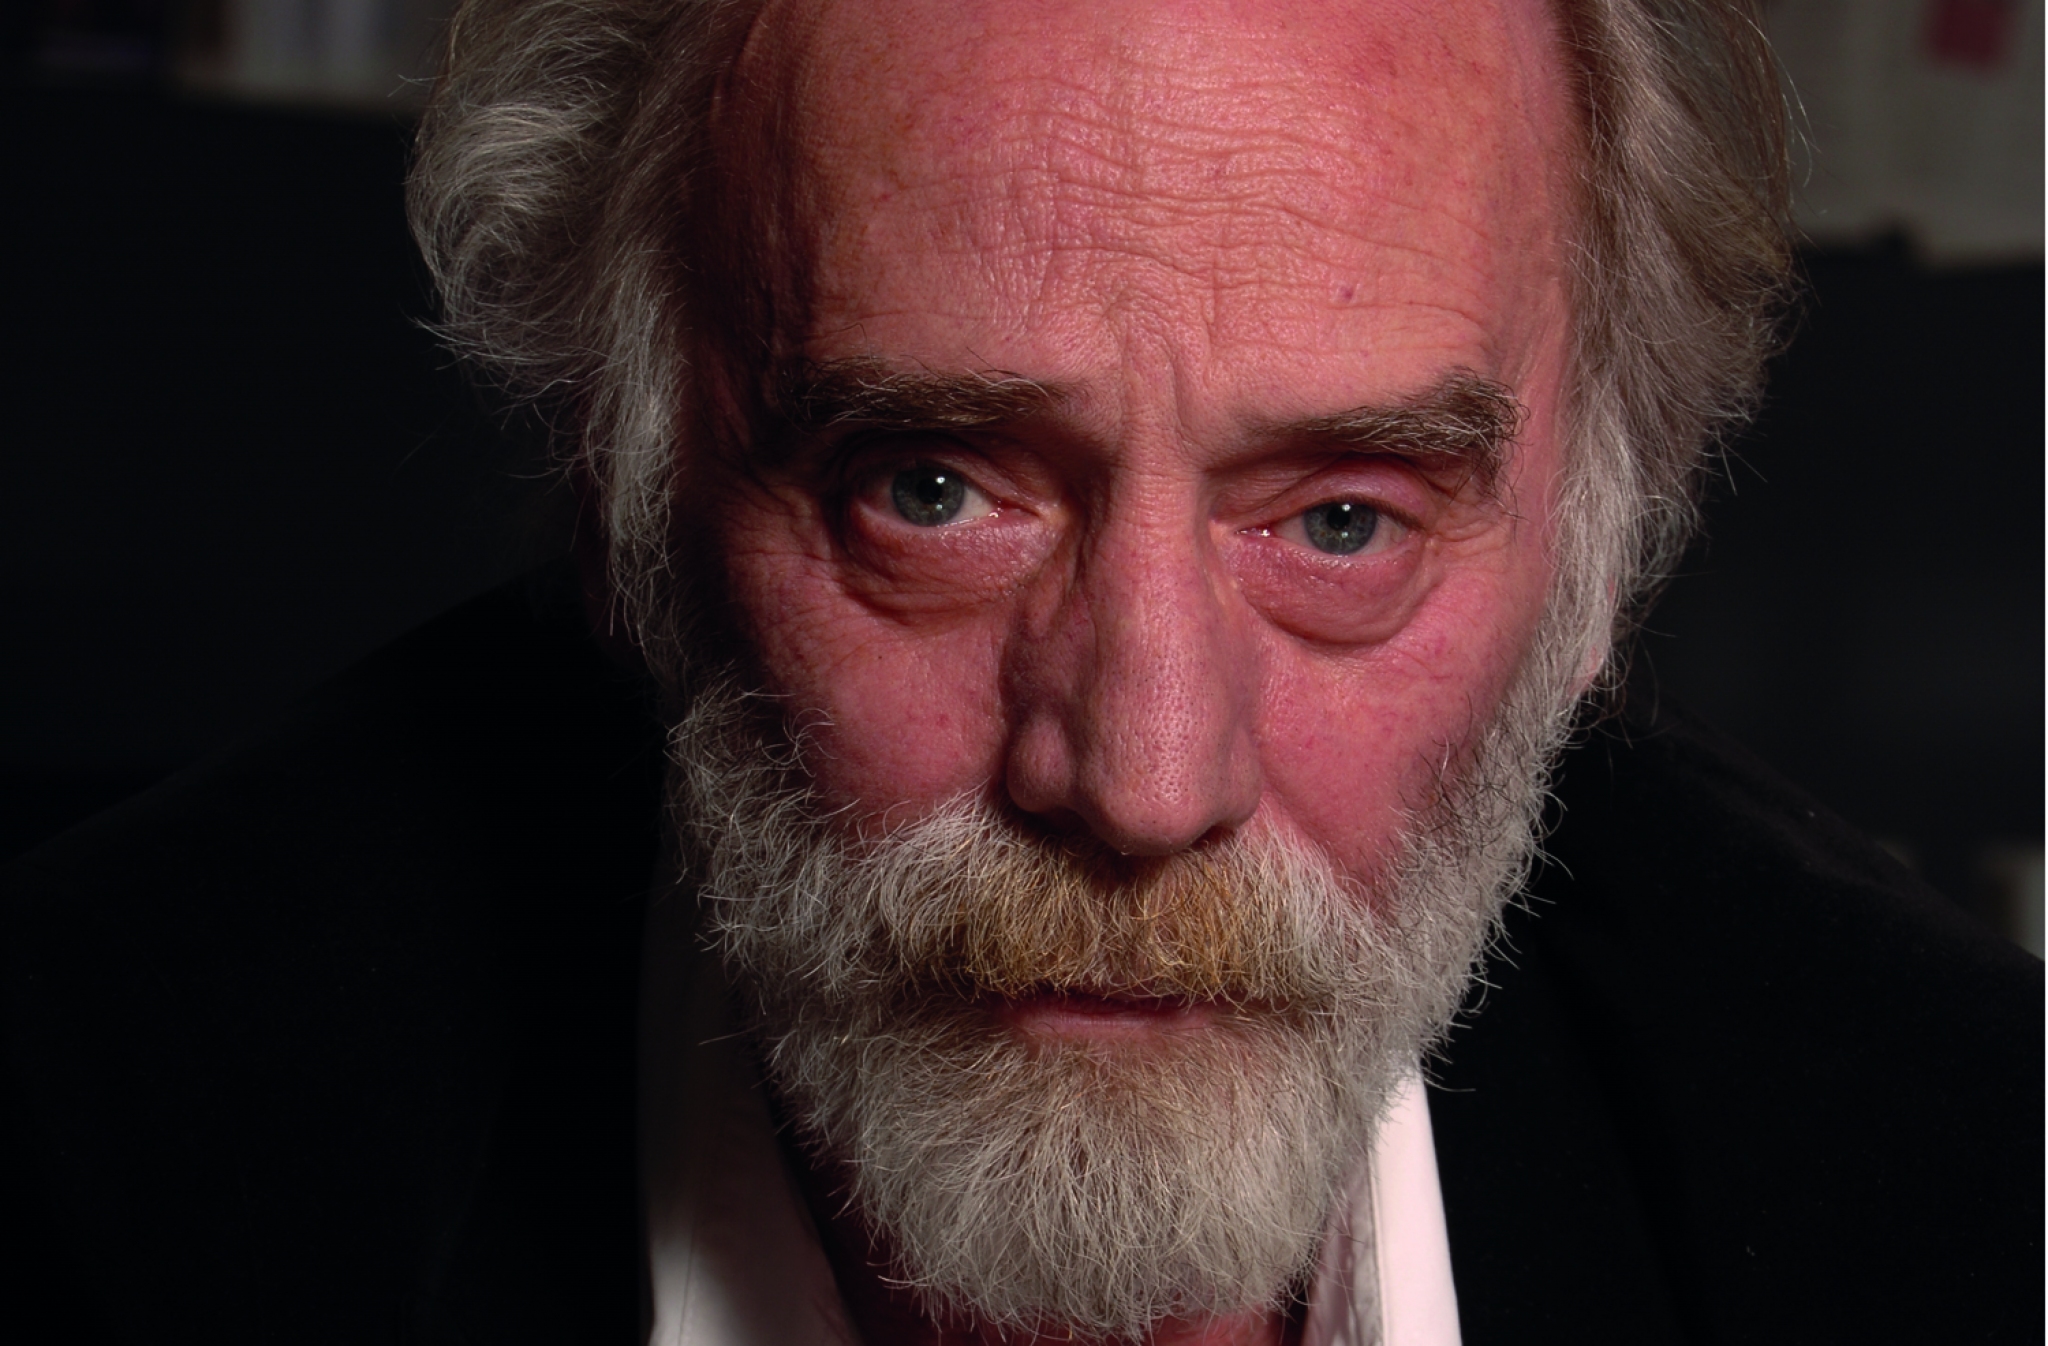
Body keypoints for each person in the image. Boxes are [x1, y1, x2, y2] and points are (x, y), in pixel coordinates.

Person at [4, 1, 2038, 1343]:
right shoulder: (102, 1173)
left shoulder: (1969, 1207)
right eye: (935, 488)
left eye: (1342, 521)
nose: (1143, 777)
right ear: (630, 508)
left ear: (1594, 580)